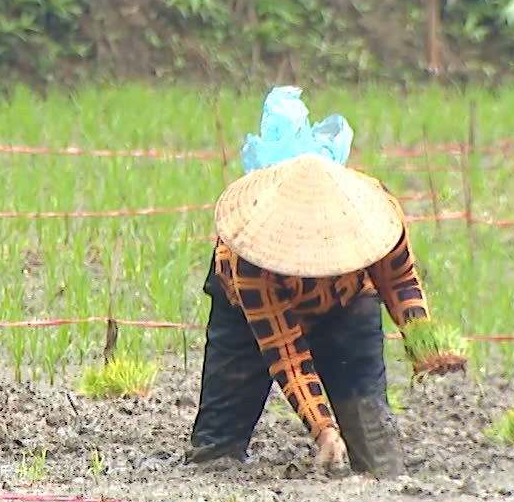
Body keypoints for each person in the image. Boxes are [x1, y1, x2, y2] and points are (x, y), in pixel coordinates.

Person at [188, 153, 444, 477]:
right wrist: (323, 430)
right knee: (215, 455)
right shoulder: (248, 261)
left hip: (348, 304)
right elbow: (287, 355)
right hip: (249, 316)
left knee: (381, 462)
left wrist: (424, 341)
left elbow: (398, 279)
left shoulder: (378, 214)